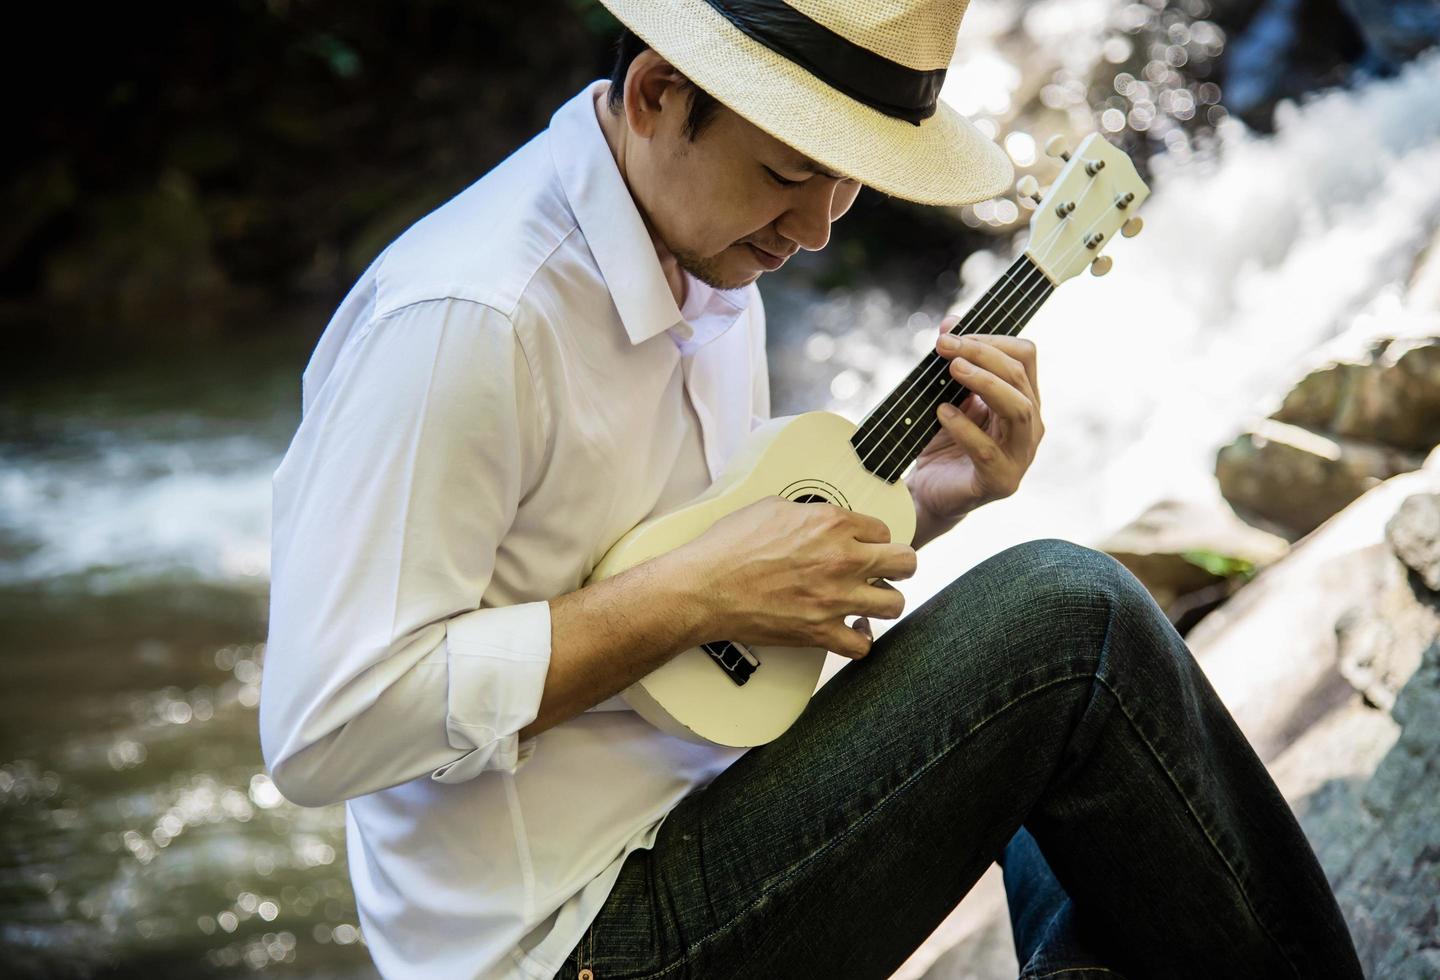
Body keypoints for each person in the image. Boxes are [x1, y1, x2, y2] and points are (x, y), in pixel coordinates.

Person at [259, 1, 1364, 977]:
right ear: (655, 94)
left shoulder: (708, 251)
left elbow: (712, 612)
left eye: (851, 179)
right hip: (579, 937)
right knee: (1070, 627)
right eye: (792, 171)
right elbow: (324, 726)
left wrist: (921, 502)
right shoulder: (469, 321)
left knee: (1031, 709)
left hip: (705, 807)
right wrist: (689, 595)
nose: (820, 225)